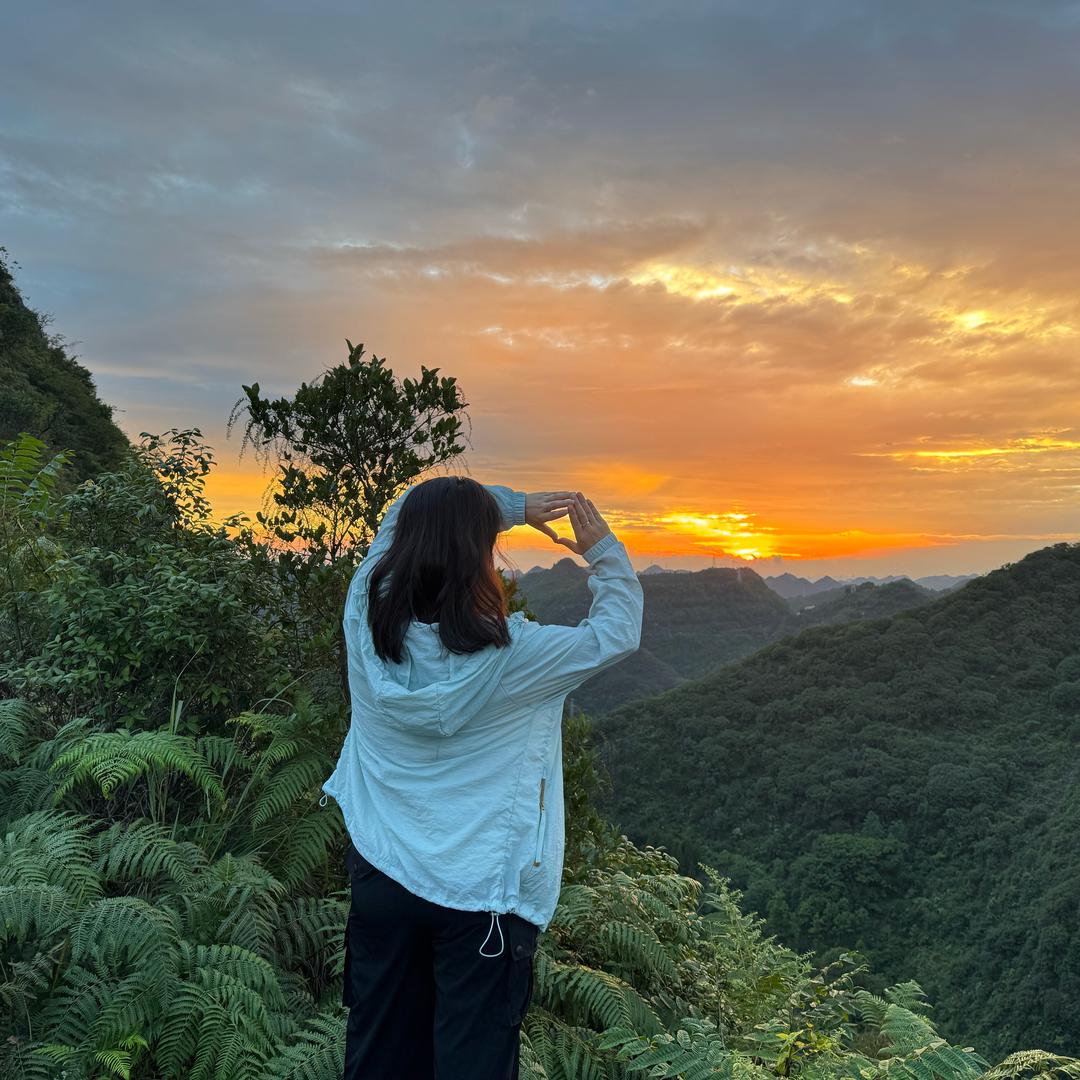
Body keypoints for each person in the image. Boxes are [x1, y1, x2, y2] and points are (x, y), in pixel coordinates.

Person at [321, 479, 644, 1079]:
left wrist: (509, 506)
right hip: (481, 898)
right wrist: (601, 550)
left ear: (406, 545)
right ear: (480, 557)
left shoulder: (365, 616)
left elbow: (399, 512)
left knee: (379, 1056)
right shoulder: (518, 656)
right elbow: (616, 632)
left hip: (383, 873)